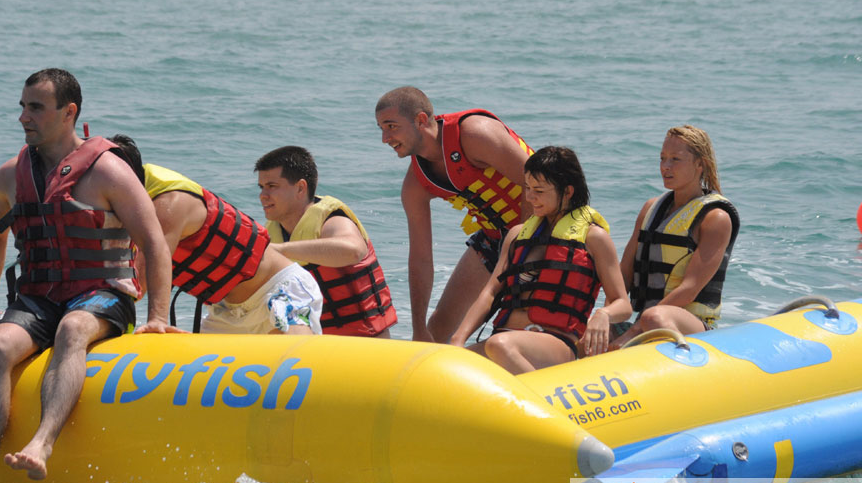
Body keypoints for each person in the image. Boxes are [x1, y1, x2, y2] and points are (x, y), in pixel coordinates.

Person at [0, 69, 175, 483]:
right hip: (38, 297)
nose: (24, 117)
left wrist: (158, 316)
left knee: (73, 329)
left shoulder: (109, 171)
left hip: (100, 294)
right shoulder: (10, 176)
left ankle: (42, 444)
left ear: (69, 113)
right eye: (22, 106)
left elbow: (154, 242)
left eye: (36, 107)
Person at [109, 135, 323, 336]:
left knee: (294, 363)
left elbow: (139, 279)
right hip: (227, 312)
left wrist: (150, 321)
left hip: (280, 291)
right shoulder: (131, 212)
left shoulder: (168, 203)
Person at [449, 147, 631, 374]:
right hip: (504, 340)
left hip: (554, 344)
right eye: (527, 188)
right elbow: (490, 293)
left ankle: (545, 402)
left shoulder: (594, 238)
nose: (529, 197)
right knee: (445, 363)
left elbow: (623, 304)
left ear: (567, 191)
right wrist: (458, 340)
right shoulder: (517, 235)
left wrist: (603, 314)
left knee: (499, 346)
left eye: (539, 190)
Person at [375, 86, 535, 343]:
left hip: (547, 228)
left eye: (391, 126)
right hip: (497, 239)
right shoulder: (415, 184)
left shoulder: (474, 134)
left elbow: (537, 181)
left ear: (421, 120)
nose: (385, 138)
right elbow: (420, 259)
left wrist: (523, 247)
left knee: (519, 323)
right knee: (436, 331)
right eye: (381, 128)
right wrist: (418, 329)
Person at [610, 125, 740, 348]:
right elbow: (624, 275)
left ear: (700, 164)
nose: (665, 167)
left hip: (692, 325)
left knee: (655, 318)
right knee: (593, 327)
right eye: (662, 158)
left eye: (675, 160)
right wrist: (608, 316)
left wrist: (633, 330)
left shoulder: (715, 218)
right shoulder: (650, 209)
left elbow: (689, 288)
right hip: (644, 320)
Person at [254, 146, 397, 338]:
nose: (263, 195)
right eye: (261, 187)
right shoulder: (273, 232)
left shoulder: (332, 221)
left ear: (300, 188)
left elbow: (353, 250)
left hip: (366, 343)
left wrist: (280, 250)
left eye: (272, 186)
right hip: (316, 344)